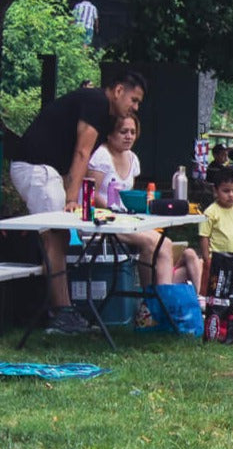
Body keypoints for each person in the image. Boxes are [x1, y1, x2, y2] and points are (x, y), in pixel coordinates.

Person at [10, 66, 147, 334]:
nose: (135, 107)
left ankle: (60, 309)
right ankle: (61, 313)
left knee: (57, 236)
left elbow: (78, 160)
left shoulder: (106, 116)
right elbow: (82, 152)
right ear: (118, 90)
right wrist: (72, 199)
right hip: (35, 167)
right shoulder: (96, 102)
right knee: (54, 234)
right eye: (134, 100)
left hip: (50, 171)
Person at [90, 111, 203, 292]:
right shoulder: (101, 156)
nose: (129, 137)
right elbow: (91, 194)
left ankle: (152, 301)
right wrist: (115, 210)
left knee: (159, 245)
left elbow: (127, 195)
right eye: (123, 132)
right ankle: (159, 300)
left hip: (125, 218)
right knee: (158, 243)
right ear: (110, 134)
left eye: (132, 132)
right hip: (102, 219)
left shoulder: (132, 158)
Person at [200, 165, 233, 342]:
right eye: (226, 191)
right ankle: (214, 320)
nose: (231, 195)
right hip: (217, 259)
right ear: (215, 191)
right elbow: (204, 236)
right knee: (217, 292)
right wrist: (206, 257)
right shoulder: (211, 212)